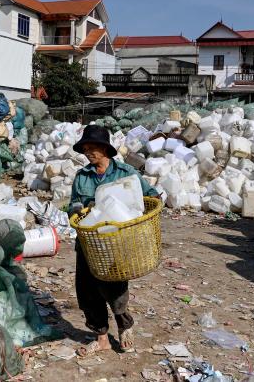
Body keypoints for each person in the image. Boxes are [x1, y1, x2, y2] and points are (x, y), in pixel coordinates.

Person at [69, 125, 158, 356]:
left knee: (114, 288)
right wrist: (77, 209)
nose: (88, 152)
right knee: (87, 291)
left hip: (118, 243)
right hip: (89, 242)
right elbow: (73, 205)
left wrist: (149, 211)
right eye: (85, 148)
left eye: (93, 147)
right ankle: (101, 339)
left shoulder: (126, 173)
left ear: (106, 149)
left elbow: (150, 195)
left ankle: (124, 326)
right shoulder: (82, 177)